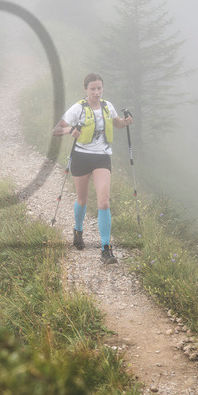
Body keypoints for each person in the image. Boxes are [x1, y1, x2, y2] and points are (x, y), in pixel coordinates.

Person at [52, 73, 134, 264]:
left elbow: (117, 124)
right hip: (81, 157)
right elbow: (56, 130)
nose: (97, 92)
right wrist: (70, 130)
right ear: (85, 90)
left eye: (99, 88)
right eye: (93, 89)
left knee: (103, 202)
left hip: (102, 158)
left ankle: (106, 249)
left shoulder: (107, 106)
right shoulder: (77, 108)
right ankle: (78, 230)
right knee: (82, 199)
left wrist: (125, 122)